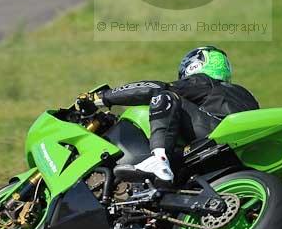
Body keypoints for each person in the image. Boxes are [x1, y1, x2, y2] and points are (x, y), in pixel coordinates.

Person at [95, 46, 259, 182]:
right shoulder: (245, 95)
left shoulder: (204, 81)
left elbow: (154, 87)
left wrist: (103, 97)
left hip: (216, 135)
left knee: (165, 95)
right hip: (242, 153)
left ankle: (159, 160)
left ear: (196, 64)